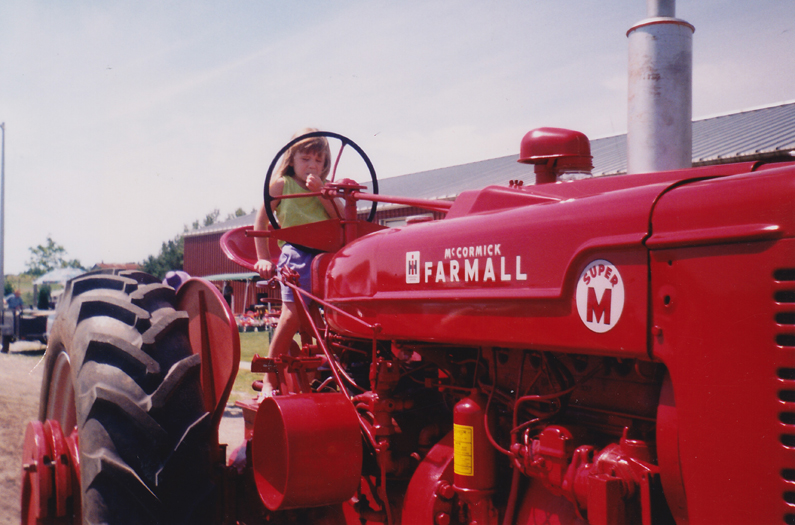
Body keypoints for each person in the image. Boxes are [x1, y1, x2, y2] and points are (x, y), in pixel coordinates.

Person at [254, 128, 342, 398]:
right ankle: (269, 378)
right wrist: (263, 258)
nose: (312, 165)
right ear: (292, 160)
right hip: (296, 254)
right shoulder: (282, 185)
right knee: (291, 316)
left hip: (324, 257)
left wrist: (323, 193)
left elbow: (341, 218)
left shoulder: (326, 191)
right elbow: (261, 222)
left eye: (318, 160)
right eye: (306, 159)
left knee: (334, 322)